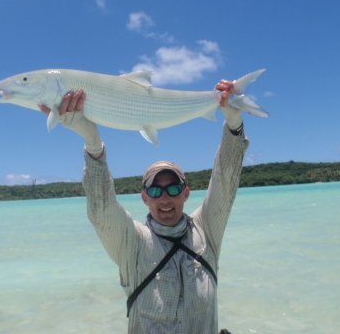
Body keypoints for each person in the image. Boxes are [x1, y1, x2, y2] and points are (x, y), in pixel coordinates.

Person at [39, 79, 249, 334]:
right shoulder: (133, 243)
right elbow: (101, 211)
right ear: (144, 198)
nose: (164, 198)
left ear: (185, 194)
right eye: (154, 190)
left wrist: (234, 124)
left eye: (172, 189)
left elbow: (226, 181)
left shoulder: (207, 231)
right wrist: (92, 141)